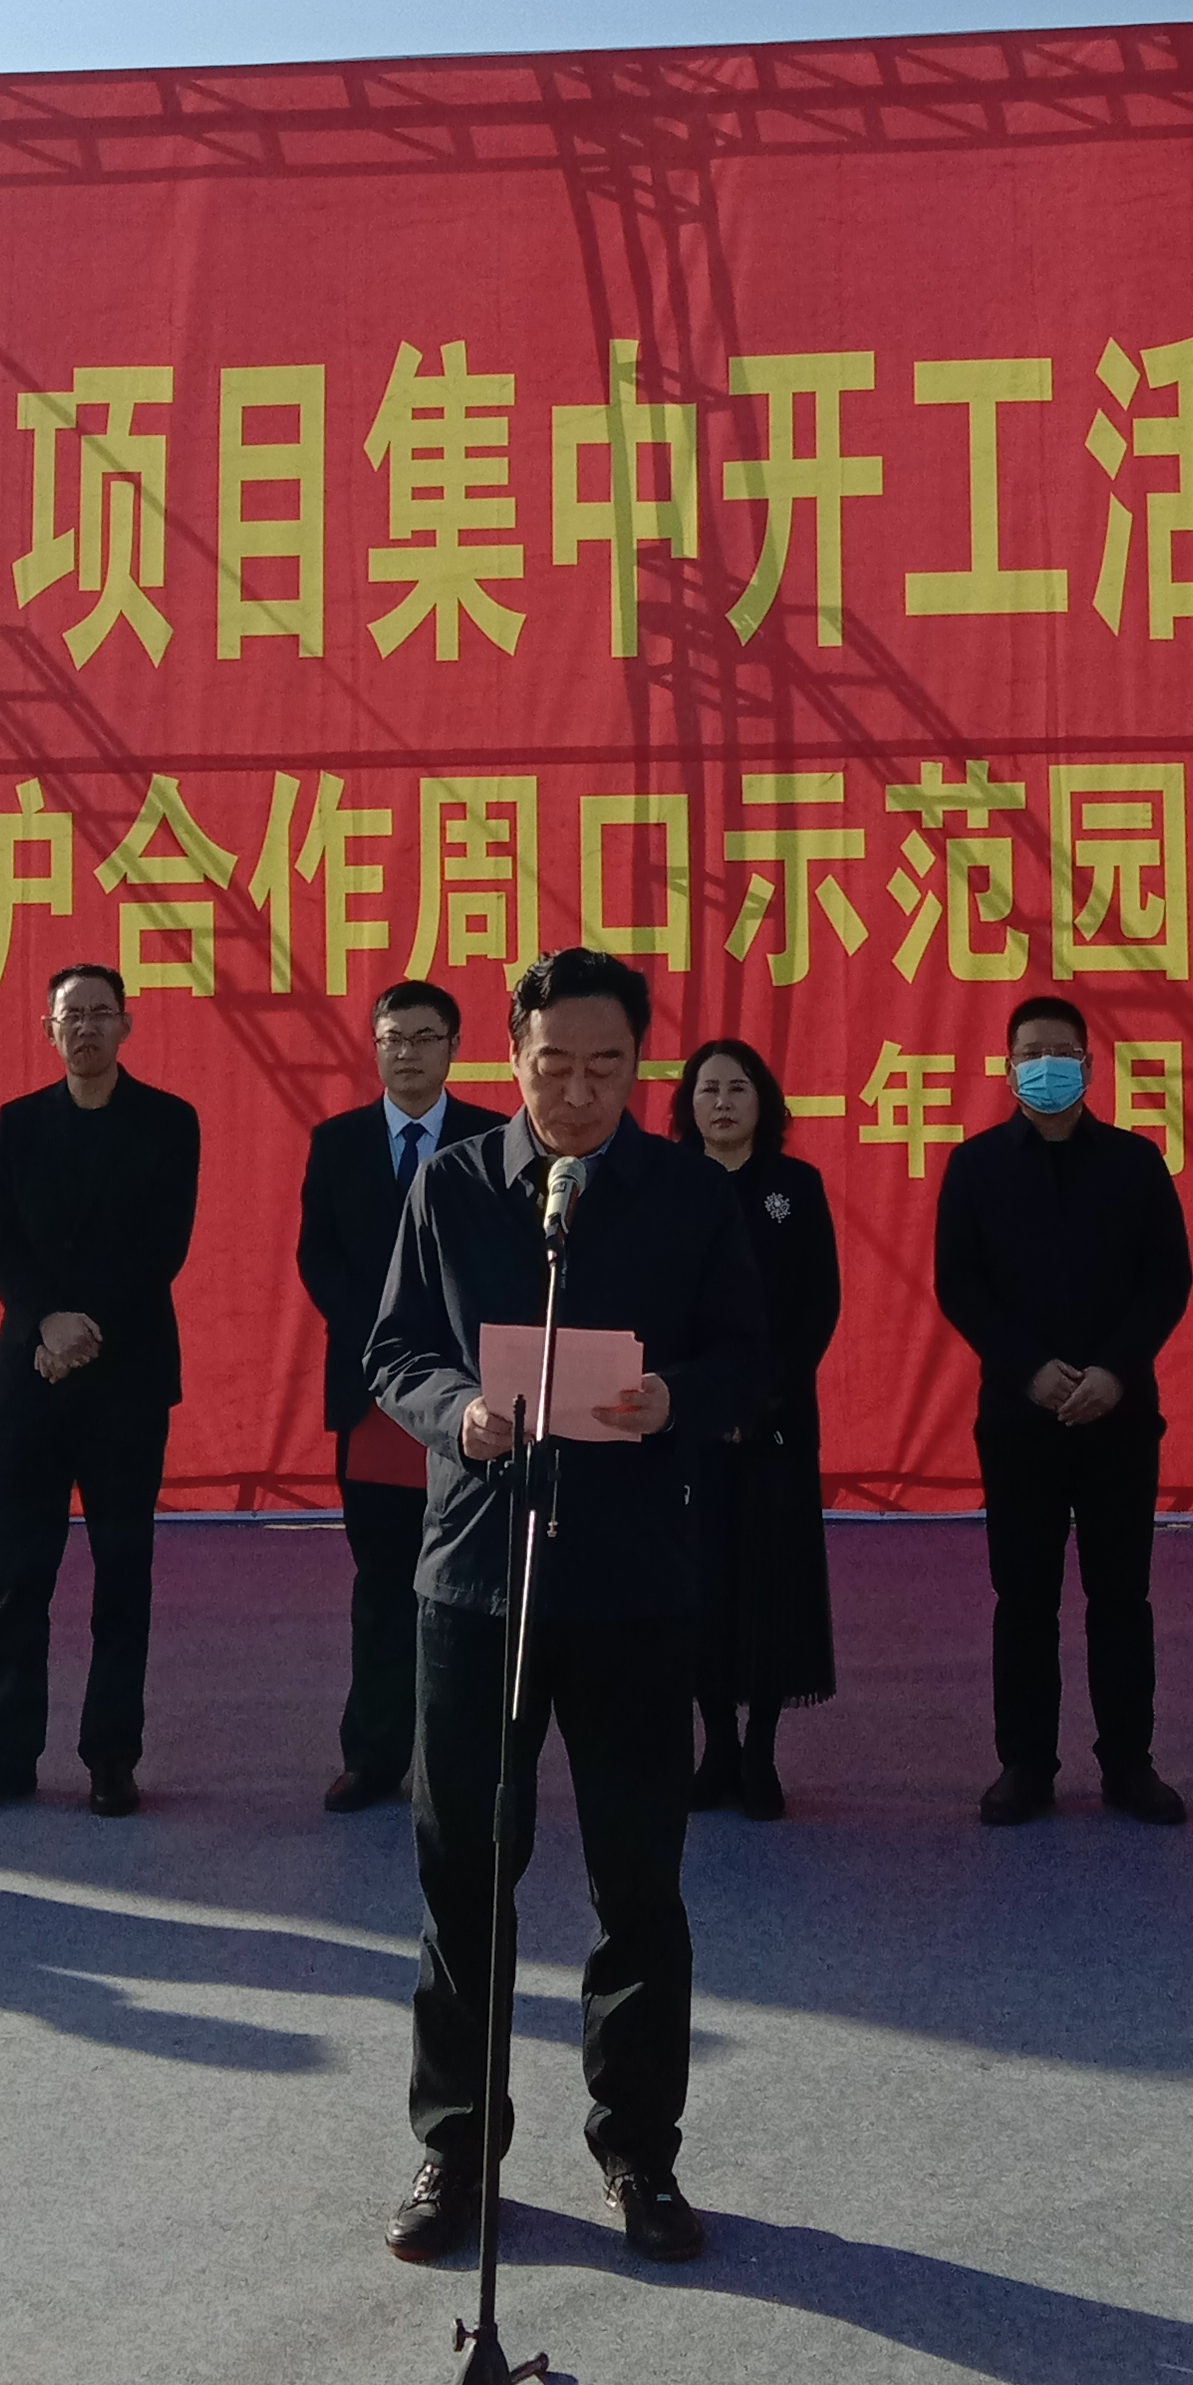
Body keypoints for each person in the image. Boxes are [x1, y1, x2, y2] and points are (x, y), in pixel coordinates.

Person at [366, 945, 771, 2268]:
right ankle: (455, 2145)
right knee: (463, 1874)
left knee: (638, 1880)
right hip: (478, 1573)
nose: (579, 1093)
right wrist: (458, 1414)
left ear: (641, 1066)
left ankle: (639, 2151)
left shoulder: (686, 1197)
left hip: (634, 1581)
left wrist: (676, 1400)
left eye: (606, 1068)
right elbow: (394, 1350)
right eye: (554, 1067)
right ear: (514, 1059)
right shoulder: (453, 1186)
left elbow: (748, 1356)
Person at [0, 961, 201, 1822]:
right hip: (32, 1380)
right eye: (69, 1015)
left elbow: (163, 1245)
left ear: (127, 1024)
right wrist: (45, 1324)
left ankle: (111, 1756)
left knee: (122, 1574)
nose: (85, 1027)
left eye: (100, 1013)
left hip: (128, 1382)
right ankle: (7, 1753)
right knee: (19, 1576)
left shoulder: (170, 1122)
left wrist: (81, 1334)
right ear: (48, 1030)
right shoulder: (18, 1124)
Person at [933, 994, 1193, 1830]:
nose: (1046, 1066)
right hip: (1020, 1418)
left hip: (1120, 1415)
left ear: (1088, 1063)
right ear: (1008, 1068)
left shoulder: (1136, 1162)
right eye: (1030, 1053)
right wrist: (1028, 1369)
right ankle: (1024, 1765)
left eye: (1062, 1052)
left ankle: (1129, 1763)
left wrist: (1116, 1370)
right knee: (1024, 1598)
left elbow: (1168, 1280)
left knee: (1122, 1597)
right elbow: (960, 1285)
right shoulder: (975, 1167)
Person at [295, 981, 505, 1811]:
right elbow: (319, 1258)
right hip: (373, 1400)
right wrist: (386, 1338)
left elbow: (504, 1263)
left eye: (424, 1037)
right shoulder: (337, 1142)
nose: (407, 1053)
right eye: (393, 1039)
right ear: (375, 1047)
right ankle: (374, 1755)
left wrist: (448, 1350)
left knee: (469, 1593)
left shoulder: (493, 1139)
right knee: (382, 1586)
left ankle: (461, 1762)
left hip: (470, 1401)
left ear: (454, 1046)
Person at [670, 1036, 839, 1818]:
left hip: (776, 1420)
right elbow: (658, 1308)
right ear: (688, 1105)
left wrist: (757, 1399)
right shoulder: (668, 1187)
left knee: (772, 1581)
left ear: (762, 1102)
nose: (723, 1102)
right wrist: (706, 1400)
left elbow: (817, 1305)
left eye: (738, 1088)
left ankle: (762, 1750)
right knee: (701, 1582)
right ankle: (717, 1747)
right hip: (688, 1423)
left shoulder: (794, 1188)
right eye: (708, 1089)